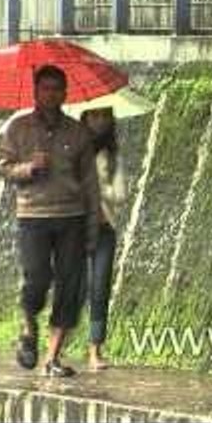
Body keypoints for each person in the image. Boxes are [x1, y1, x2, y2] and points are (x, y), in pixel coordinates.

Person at [0, 65, 99, 377]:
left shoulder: (77, 132)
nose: (51, 94)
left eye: (57, 88)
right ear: (36, 92)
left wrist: (93, 227)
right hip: (33, 215)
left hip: (72, 217)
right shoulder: (17, 127)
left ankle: (53, 358)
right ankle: (28, 327)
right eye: (45, 88)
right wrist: (29, 167)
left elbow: (90, 183)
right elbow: (4, 168)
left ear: (65, 93)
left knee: (70, 288)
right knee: (37, 279)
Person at [79, 106, 126, 371]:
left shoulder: (112, 155)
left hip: (103, 229)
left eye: (105, 115)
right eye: (94, 115)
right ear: (84, 118)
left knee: (99, 289)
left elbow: (120, 194)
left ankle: (95, 350)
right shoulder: (71, 150)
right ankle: (56, 349)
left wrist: (99, 189)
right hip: (74, 228)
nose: (100, 120)